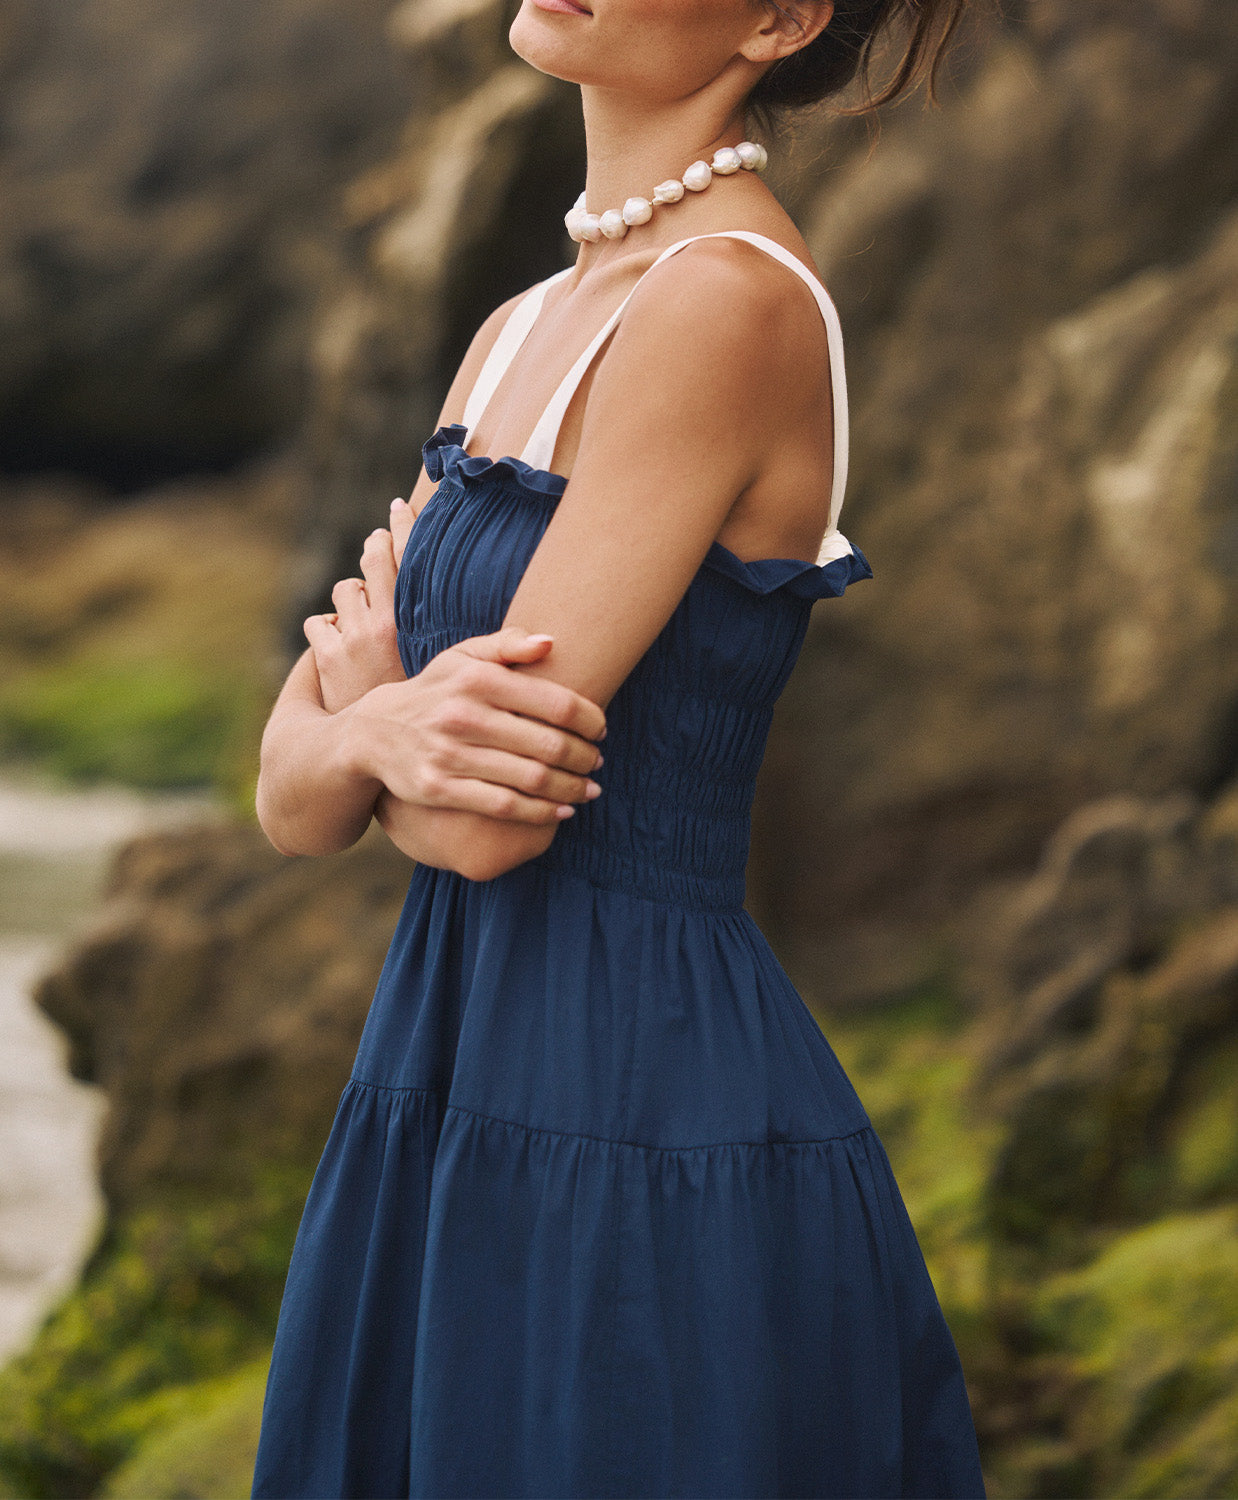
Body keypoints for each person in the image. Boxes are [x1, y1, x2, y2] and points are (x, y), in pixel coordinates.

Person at [251, 0, 988, 1495]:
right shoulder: (514, 329)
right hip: (444, 1071)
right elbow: (290, 794)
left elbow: (479, 826)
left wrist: (362, 727)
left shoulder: (730, 302)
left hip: (633, 1103)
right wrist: (381, 728)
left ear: (779, 20)